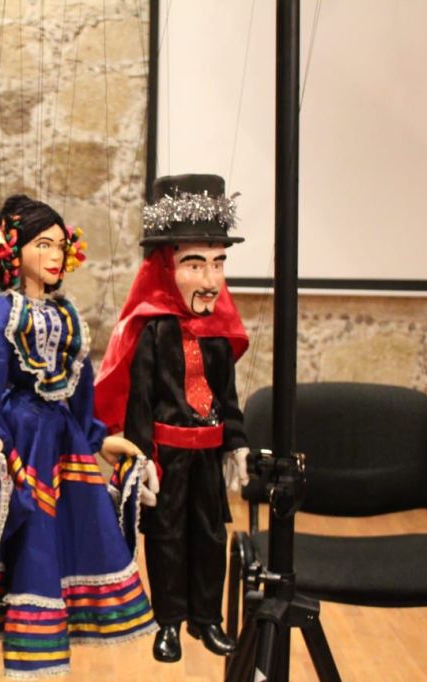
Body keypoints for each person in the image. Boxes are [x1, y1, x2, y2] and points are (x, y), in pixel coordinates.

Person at [0, 195, 158, 679]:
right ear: (15, 251)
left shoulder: (68, 313)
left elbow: (81, 385)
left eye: (59, 245)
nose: (55, 255)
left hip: (63, 439)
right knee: (33, 534)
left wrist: (99, 438)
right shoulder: (6, 309)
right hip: (23, 438)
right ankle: (31, 654)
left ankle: (55, 642)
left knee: (69, 535)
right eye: (43, 244)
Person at [95, 173, 250, 662]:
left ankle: (207, 617)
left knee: (210, 535)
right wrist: (140, 460)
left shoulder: (218, 333)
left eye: (218, 264)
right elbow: (139, 401)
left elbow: (227, 396)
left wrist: (237, 442)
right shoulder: (152, 332)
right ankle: (169, 621)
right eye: (195, 264)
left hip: (208, 458)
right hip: (166, 459)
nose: (210, 280)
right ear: (166, 266)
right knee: (165, 538)